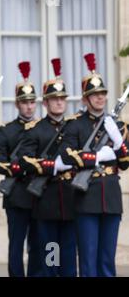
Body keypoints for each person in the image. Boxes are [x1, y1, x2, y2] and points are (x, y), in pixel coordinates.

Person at [59, 53, 129, 277]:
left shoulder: (117, 125)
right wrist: (99, 157)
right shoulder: (75, 125)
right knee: (88, 260)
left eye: (102, 94)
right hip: (86, 197)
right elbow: (68, 156)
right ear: (85, 99)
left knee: (107, 261)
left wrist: (117, 140)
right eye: (94, 94)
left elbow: (125, 162)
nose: (100, 98)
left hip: (111, 196)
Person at [18, 58, 77, 277]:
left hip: (71, 201)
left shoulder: (74, 127)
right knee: (50, 257)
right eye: (54, 99)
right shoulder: (36, 129)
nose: (59, 102)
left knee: (69, 258)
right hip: (47, 202)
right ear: (45, 103)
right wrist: (53, 166)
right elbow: (24, 160)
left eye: (62, 98)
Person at [0, 61, 42, 277]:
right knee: (16, 245)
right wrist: (20, 167)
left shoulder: (44, 128)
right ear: (17, 104)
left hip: (40, 194)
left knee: (39, 245)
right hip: (17, 194)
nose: (29, 106)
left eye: (32, 102)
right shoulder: (6, 131)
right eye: (24, 102)